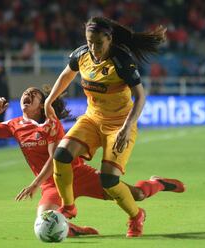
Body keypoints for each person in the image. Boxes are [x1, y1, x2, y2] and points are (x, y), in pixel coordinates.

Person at [0, 86, 185, 237]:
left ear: (42, 106)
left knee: (136, 195)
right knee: (44, 223)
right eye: (25, 94)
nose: (27, 95)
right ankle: (72, 229)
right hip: (52, 185)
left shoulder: (51, 124)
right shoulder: (15, 125)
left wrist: (34, 184)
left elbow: (53, 159)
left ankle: (156, 182)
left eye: (34, 94)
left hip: (77, 174)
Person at [44, 16, 184, 237]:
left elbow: (140, 96)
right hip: (91, 119)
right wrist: (49, 100)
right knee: (61, 155)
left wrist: (127, 128)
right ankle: (68, 206)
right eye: (89, 41)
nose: (93, 47)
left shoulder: (121, 60)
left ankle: (136, 215)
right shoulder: (82, 54)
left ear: (109, 39)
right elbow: (67, 74)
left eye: (98, 43)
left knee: (109, 181)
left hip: (119, 126)